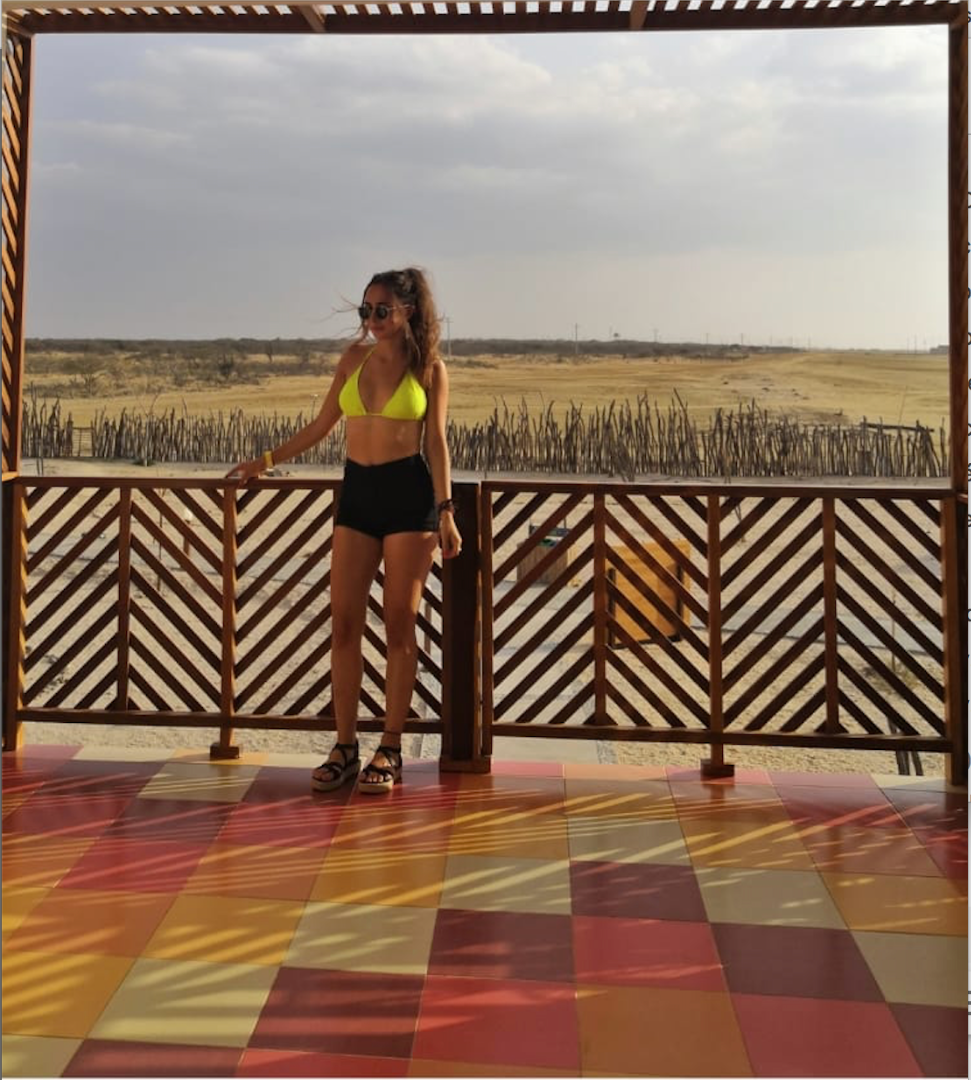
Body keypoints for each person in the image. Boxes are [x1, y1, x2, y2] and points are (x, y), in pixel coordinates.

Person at [226, 267, 462, 794]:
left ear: (408, 312)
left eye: (382, 310)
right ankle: (346, 745)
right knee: (344, 623)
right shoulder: (353, 359)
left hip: (409, 498)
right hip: (358, 494)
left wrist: (446, 511)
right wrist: (264, 461)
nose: (371, 319)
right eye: (365, 310)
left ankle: (391, 746)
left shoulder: (429, 368)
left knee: (400, 626)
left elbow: (437, 443)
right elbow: (321, 425)